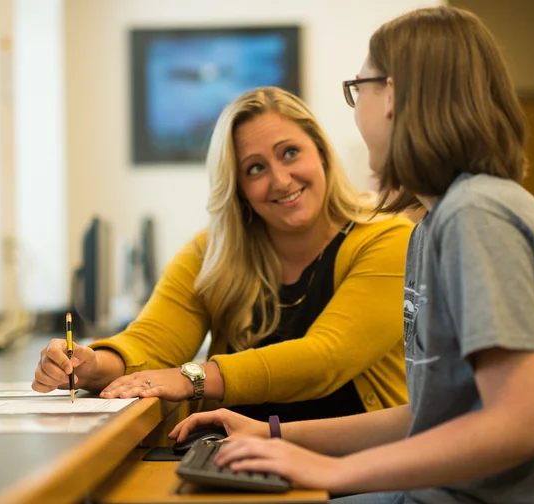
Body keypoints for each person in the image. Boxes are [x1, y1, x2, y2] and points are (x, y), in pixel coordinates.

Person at [169, 6, 534, 503]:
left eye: (359, 89)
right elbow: (424, 418)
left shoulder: (477, 215)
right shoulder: (435, 224)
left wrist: (330, 473)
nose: (354, 111)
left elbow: (522, 423)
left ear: (392, 96)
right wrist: (273, 435)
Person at [32, 86, 413, 423]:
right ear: (238, 187)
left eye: (291, 153)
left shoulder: (387, 238)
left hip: (351, 472)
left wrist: (192, 376)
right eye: (256, 168)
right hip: (237, 460)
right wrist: (91, 365)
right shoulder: (212, 252)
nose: (281, 180)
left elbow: (325, 358)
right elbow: (152, 343)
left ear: (322, 153)